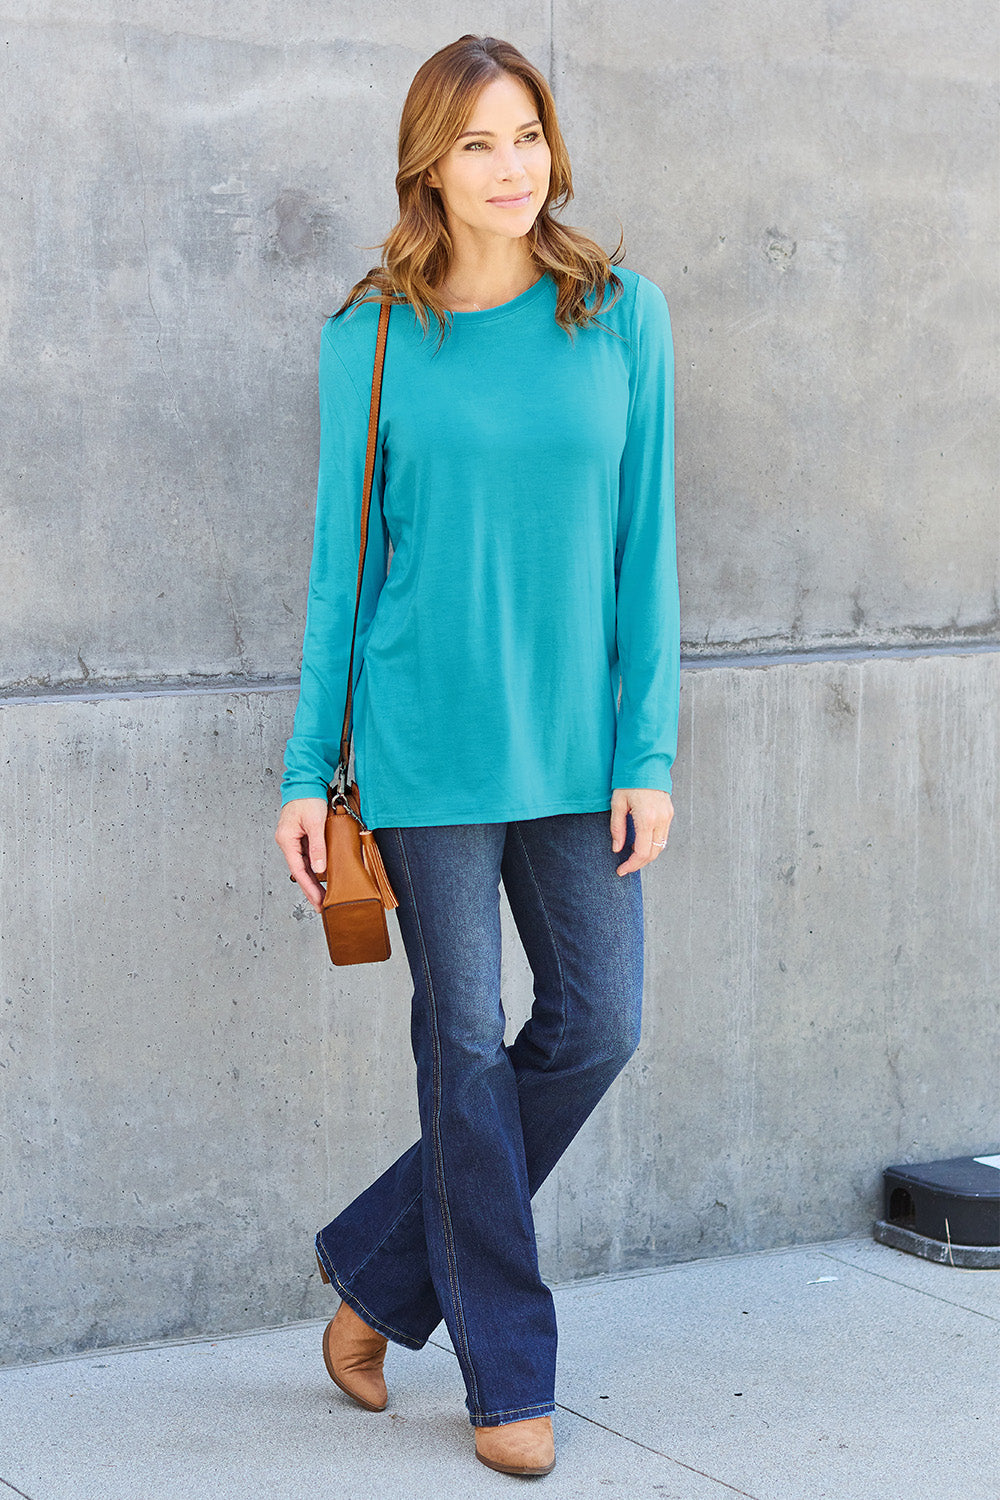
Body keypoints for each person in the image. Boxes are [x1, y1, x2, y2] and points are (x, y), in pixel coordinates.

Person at [275, 33, 679, 1479]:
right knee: (459, 1050)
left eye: (530, 138)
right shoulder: (370, 336)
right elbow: (339, 573)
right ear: (426, 168)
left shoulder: (618, 314)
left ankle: (376, 1279)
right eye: (479, 147)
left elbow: (651, 554)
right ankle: (509, 1373)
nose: (514, 170)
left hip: (577, 753)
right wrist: (299, 774)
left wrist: (650, 751)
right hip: (423, 747)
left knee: (596, 1022)